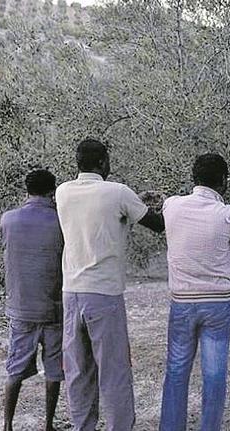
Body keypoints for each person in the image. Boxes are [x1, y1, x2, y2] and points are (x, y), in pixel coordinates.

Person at [56, 139, 165, 431]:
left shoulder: (62, 192)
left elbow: (93, 217)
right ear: (103, 162)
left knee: (78, 371)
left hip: (71, 293)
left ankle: (84, 426)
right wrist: (158, 203)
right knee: (114, 370)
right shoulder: (118, 192)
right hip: (104, 294)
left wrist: (130, 204)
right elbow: (157, 225)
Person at [158, 153, 230, 431]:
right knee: (215, 373)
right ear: (223, 181)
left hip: (182, 301)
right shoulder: (229, 214)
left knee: (176, 370)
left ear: (194, 179)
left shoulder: (171, 206)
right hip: (218, 303)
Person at [0, 169, 64, 431]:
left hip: (21, 307)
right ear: (52, 192)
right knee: (54, 371)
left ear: (26, 191)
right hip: (52, 307)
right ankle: (48, 424)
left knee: (14, 370)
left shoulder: (8, 219)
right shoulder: (60, 221)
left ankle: (7, 425)